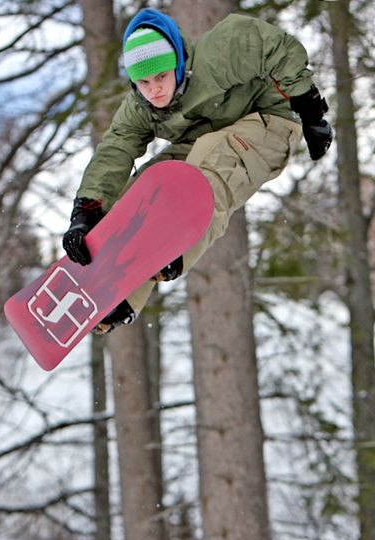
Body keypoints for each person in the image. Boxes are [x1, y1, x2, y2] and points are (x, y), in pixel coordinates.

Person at [63, 8, 332, 334]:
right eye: (144, 82)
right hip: (205, 139)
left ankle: (174, 245)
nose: (154, 90)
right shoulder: (139, 107)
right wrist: (87, 210)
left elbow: (275, 46)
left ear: (177, 64)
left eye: (161, 77)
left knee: (206, 164)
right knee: (142, 190)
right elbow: (115, 150)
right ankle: (118, 298)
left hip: (270, 121)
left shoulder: (216, 55)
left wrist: (310, 111)